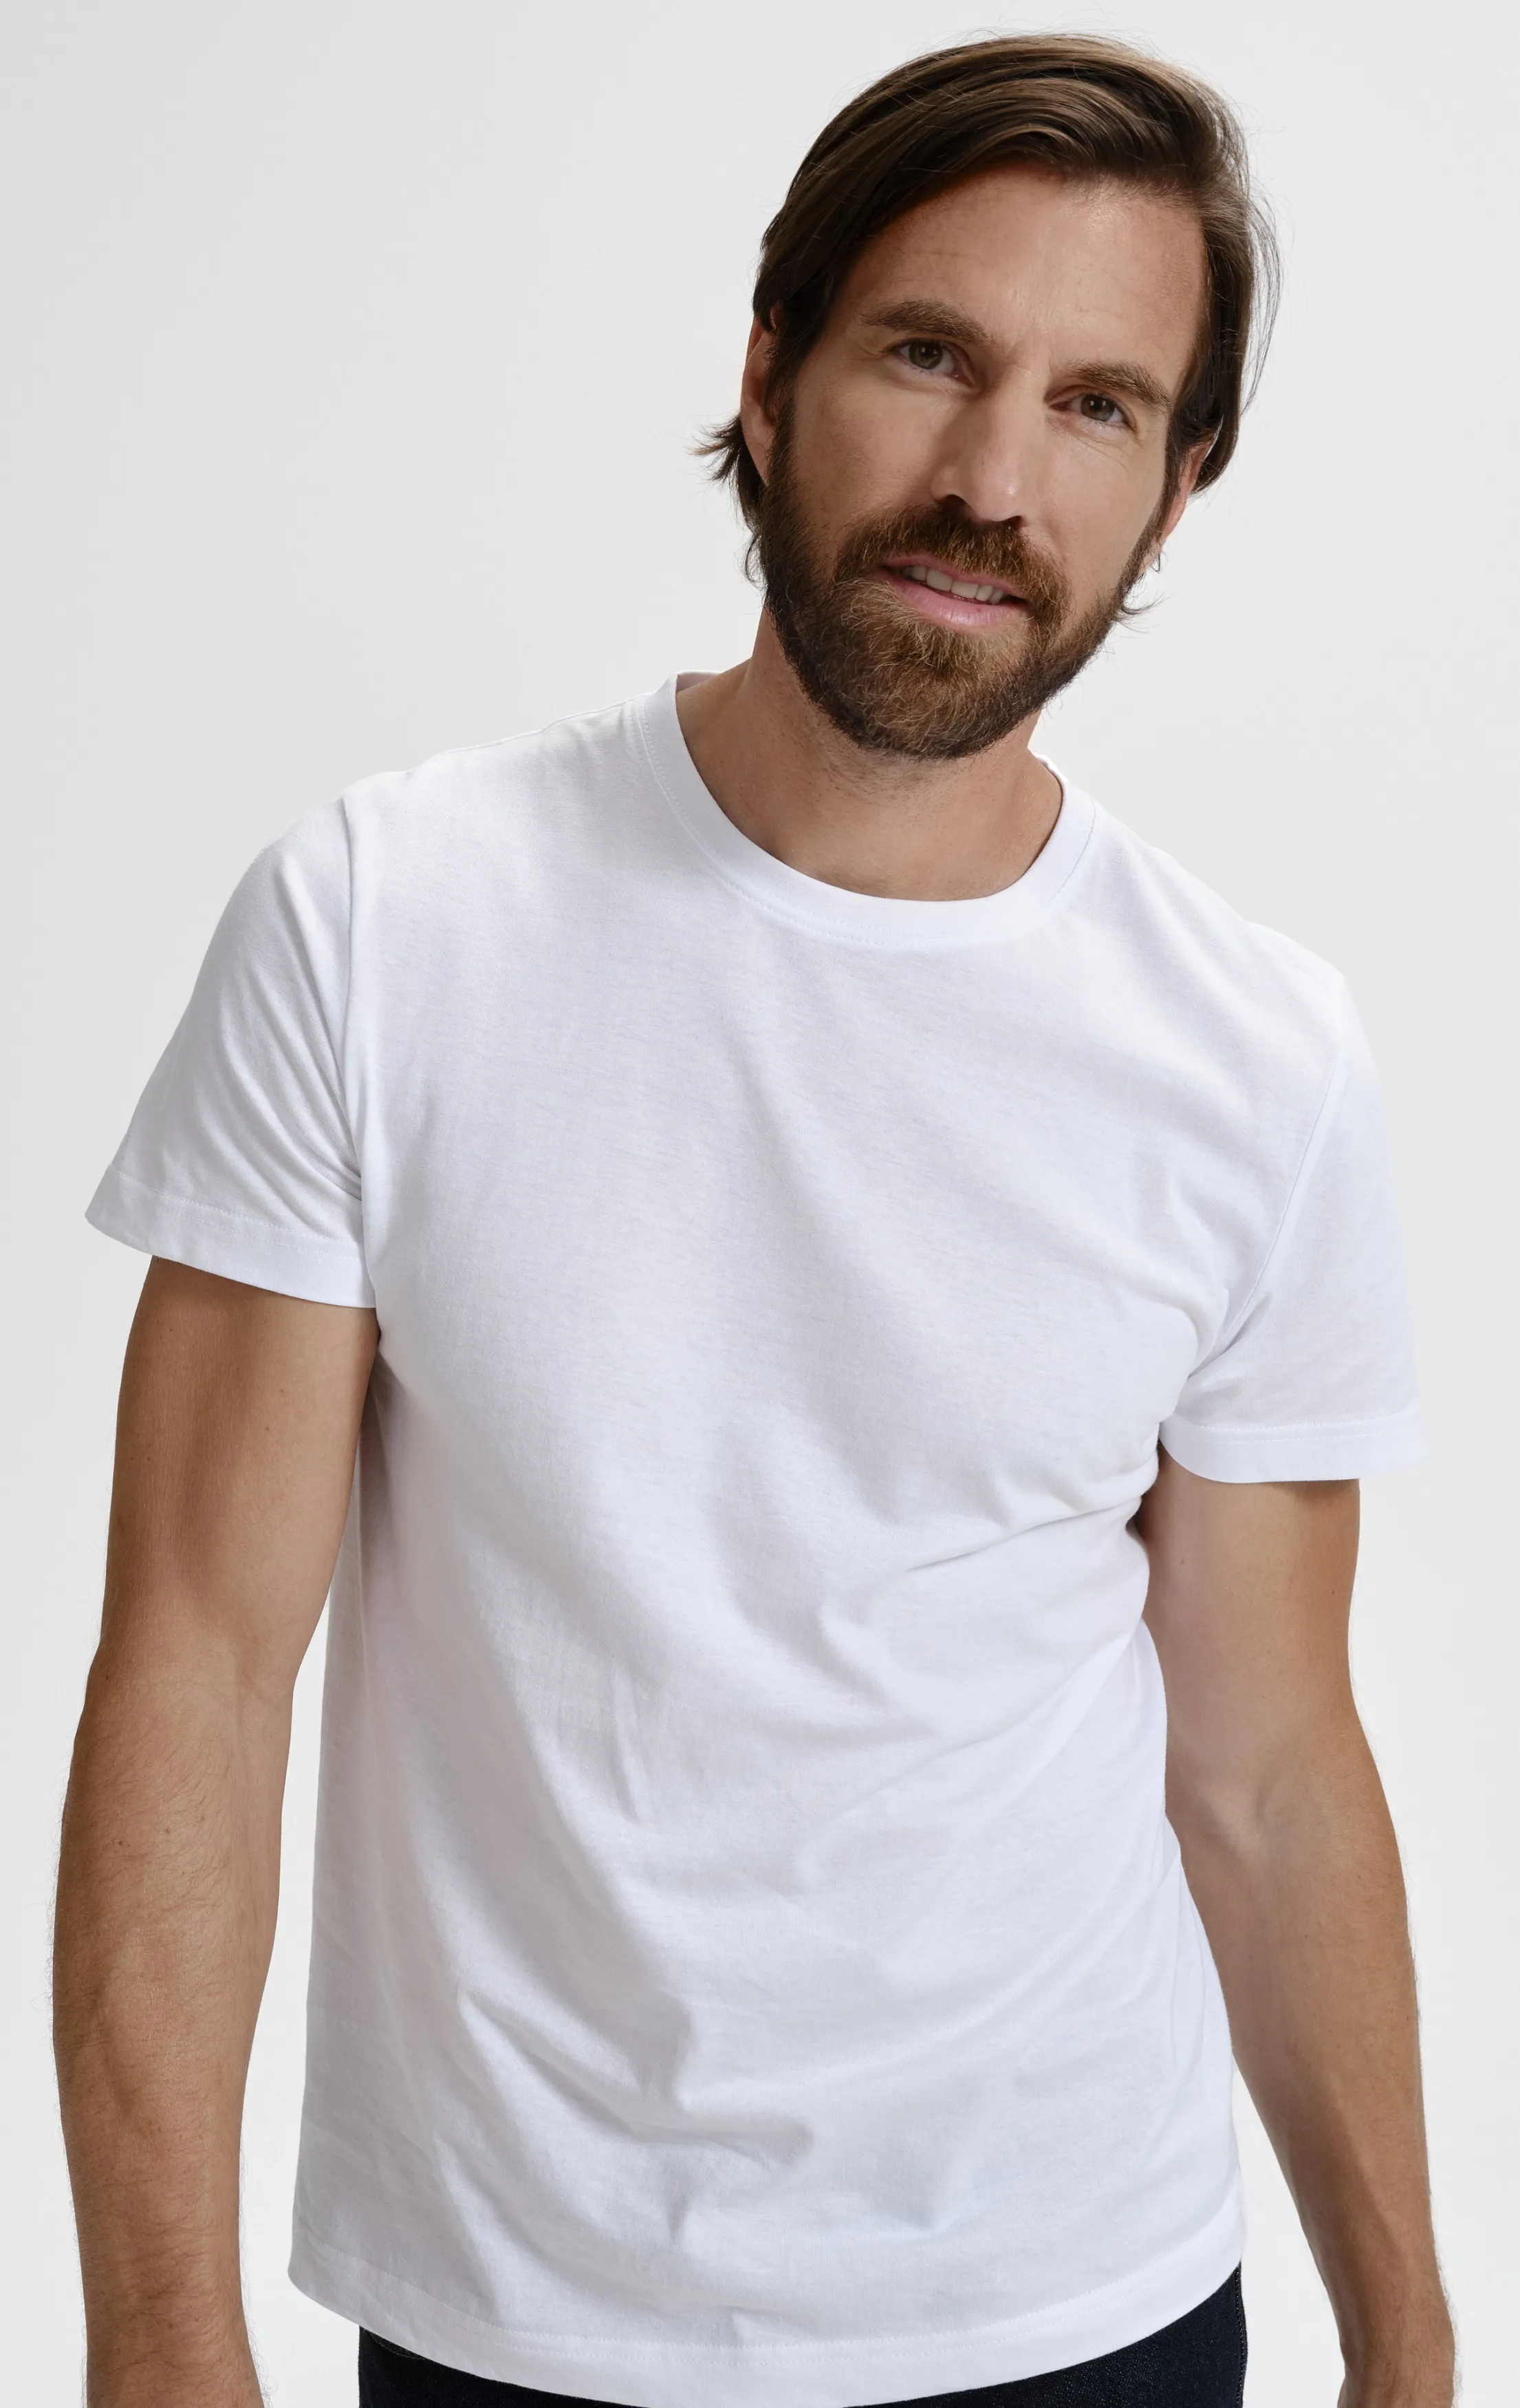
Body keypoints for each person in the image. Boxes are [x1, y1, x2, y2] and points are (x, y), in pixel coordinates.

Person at [54, 32, 1455, 2408]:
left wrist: (1410, 2342)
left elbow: (1268, 1760)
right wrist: (160, 2338)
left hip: (1084, 2306)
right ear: (770, 366)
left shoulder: (1255, 1053)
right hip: (519, 2314)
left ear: (1180, 483)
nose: (992, 478)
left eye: (1098, 406)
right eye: (928, 354)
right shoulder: (386, 924)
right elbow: (196, 1663)